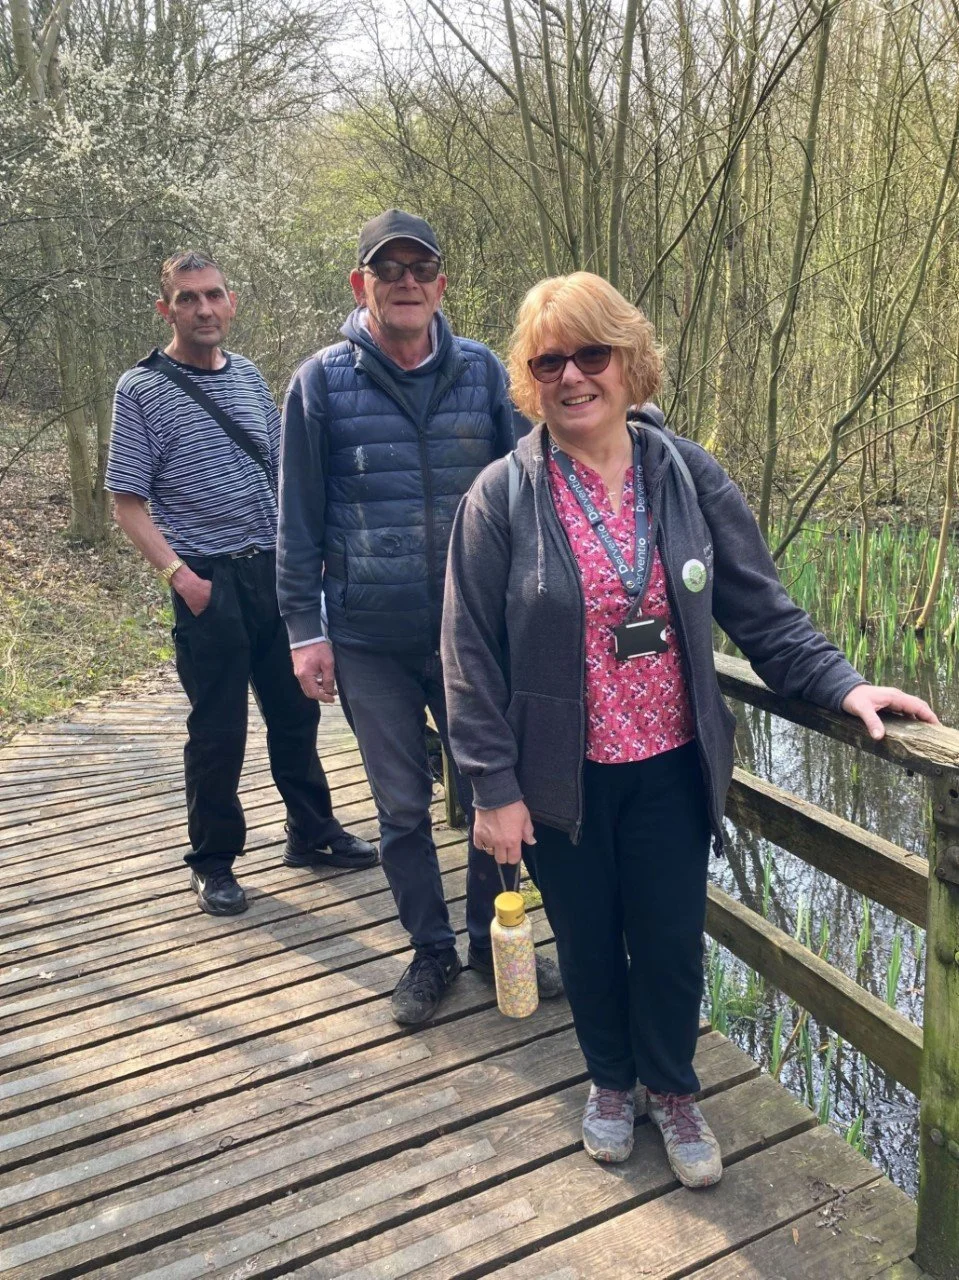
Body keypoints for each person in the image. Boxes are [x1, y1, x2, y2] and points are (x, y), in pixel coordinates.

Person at [441, 271, 938, 1186]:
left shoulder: (684, 475)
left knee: (668, 941)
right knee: (587, 943)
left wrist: (844, 686)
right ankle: (607, 1083)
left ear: (629, 363)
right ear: (529, 378)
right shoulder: (499, 498)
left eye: (592, 354)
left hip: (670, 765)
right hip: (562, 778)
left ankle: (671, 1091)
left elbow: (762, 610)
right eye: (549, 360)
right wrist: (493, 789)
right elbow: (467, 658)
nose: (572, 376)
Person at [276, 209, 563, 1025]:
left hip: (474, 635)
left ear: (440, 285)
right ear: (360, 284)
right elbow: (295, 520)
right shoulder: (320, 384)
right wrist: (305, 630)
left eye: (418, 268)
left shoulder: (482, 375)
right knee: (401, 805)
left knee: (488, 793)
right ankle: (429, 951)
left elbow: (534, 485)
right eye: (387, 269)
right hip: (368, 637)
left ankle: (486, 939)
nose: (404, 281)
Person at [106, 250, 376, 917]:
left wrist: (304, 561)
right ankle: (213, 860)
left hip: (273, 574)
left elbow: (283, 473)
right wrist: (182, 578)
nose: (203, 309)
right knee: (218, 731)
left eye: (214, 295)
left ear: (231, 302)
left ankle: (311, 832)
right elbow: (127, 501)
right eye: (188, 298)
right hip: (208, 581)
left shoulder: (252, 377)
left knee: (296, 715)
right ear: (165, 307)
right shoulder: (138, 390)